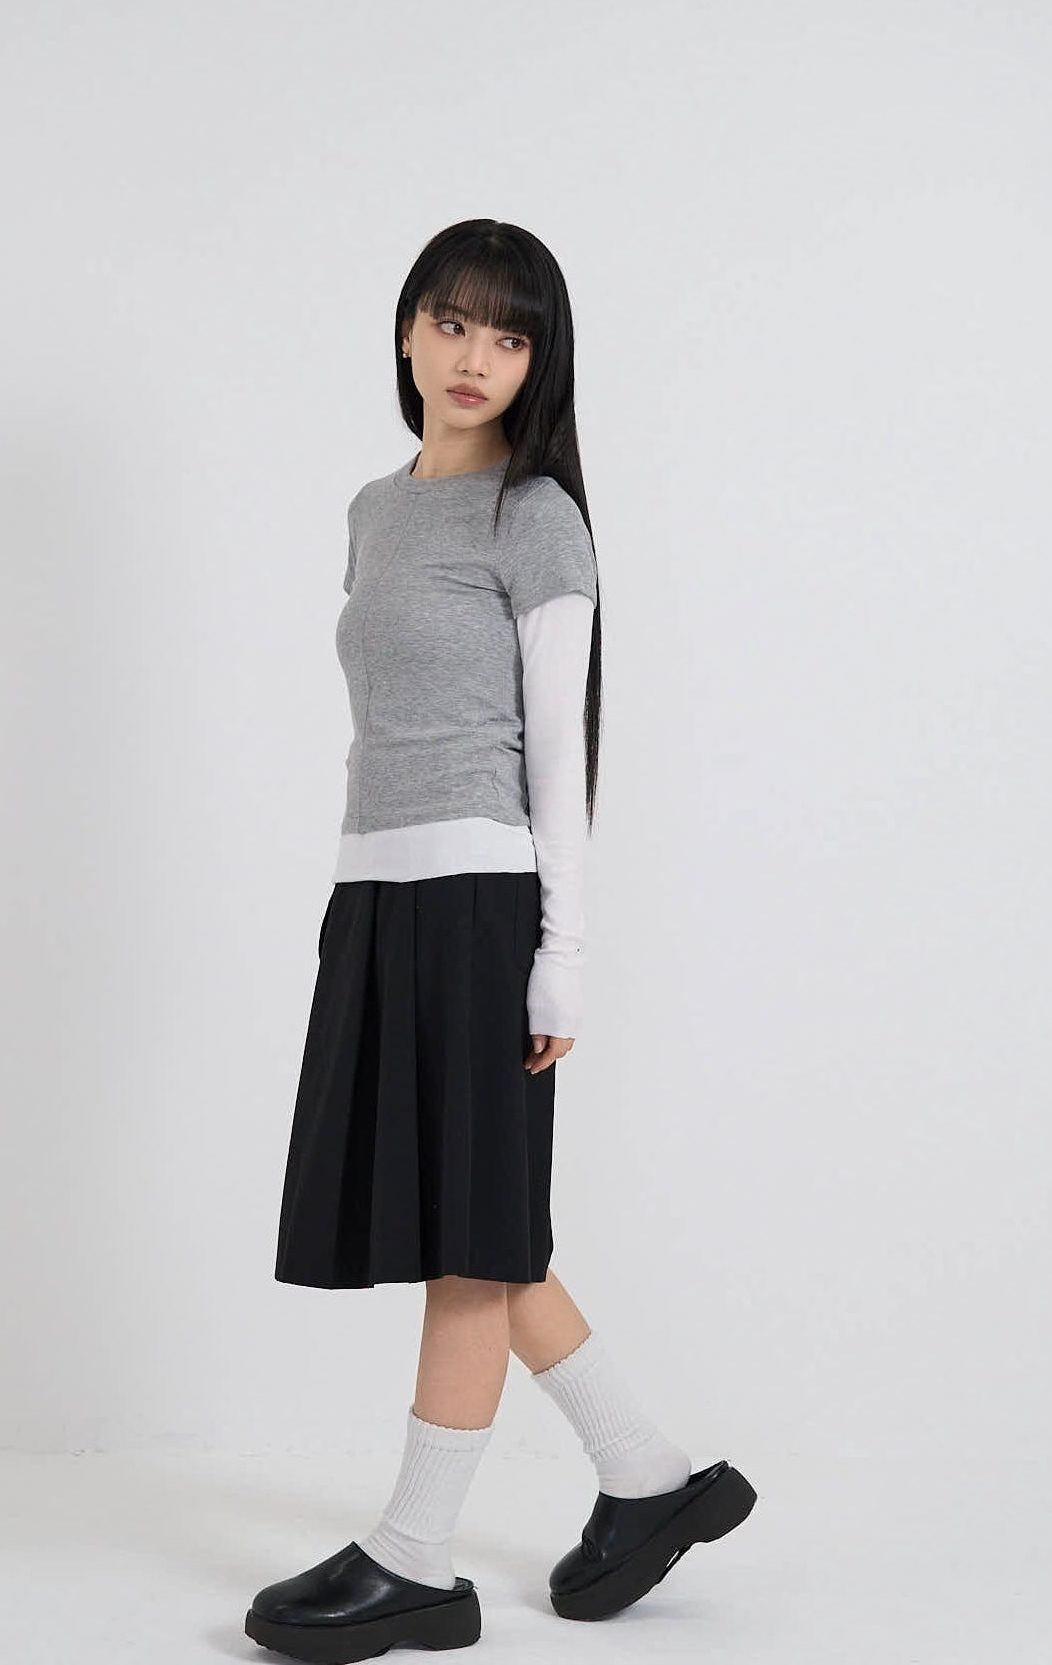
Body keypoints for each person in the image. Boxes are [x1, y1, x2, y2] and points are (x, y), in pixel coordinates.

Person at [245, 220, 756, 1663]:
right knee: (463, 1214)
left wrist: (560, 952)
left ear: (541, 362)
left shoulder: (535, 518)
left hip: (483, 902)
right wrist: (359, 904)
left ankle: (415, 1559)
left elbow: (558, 752)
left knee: (466, 1239)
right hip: (376, 897)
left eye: (511, 335)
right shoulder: (374, 508)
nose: (476, 357)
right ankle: (650, 1476)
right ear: (408, 328)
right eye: (454, 322)